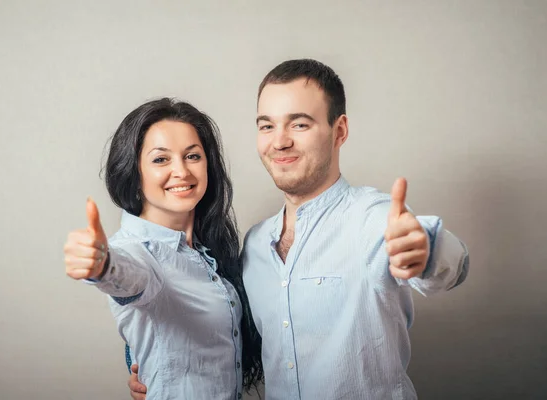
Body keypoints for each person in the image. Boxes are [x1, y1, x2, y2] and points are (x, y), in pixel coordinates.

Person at [128, 59, 469, 399]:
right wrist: (156, 371)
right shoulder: (256, 244)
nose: (279, 142)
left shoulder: (374, 219)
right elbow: (225, 337)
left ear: (340, 130)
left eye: (300, 125)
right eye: (266, 126)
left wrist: (426, 251)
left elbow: (449, 266)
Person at [63, 98, 262, 400]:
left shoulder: (207, 252)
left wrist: (138, 358)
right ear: (134, 171)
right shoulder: (137, 251)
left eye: (192, 156)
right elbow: (129, 274)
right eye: (160, 159)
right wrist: (103, 266)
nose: (181, 171)